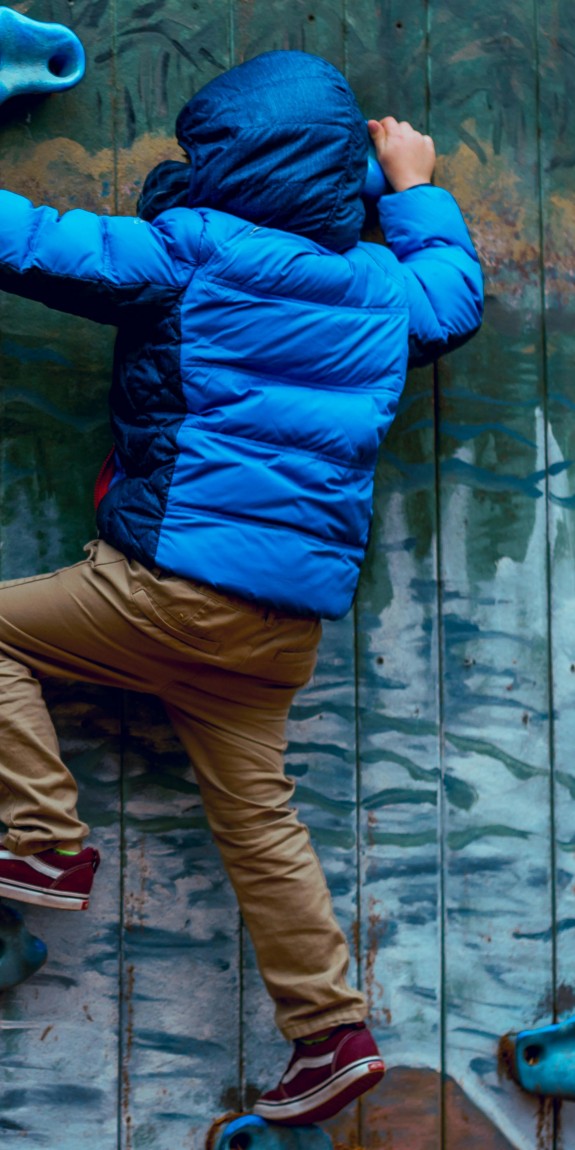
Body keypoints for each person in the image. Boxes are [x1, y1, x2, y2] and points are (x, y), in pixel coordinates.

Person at [0, 51, 483, 1126]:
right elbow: (453, 297)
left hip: (166, 592)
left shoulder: (190, 254)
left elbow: (28, 239)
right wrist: (412, 185)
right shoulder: (382, 289)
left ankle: (39, 836)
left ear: (222, 158)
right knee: (260, 824)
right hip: (281, 632)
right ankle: (332, 1033)